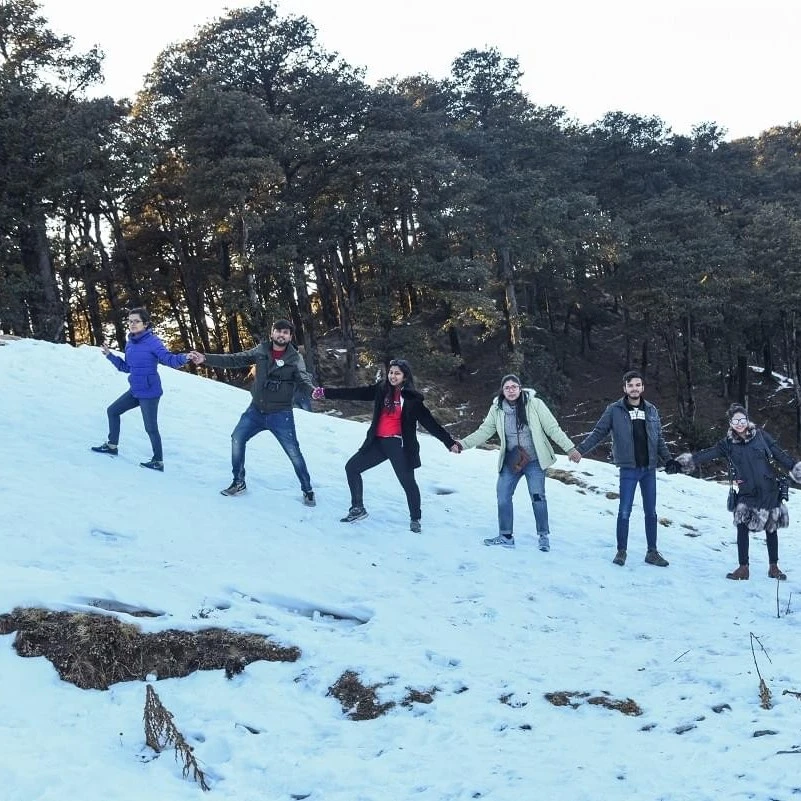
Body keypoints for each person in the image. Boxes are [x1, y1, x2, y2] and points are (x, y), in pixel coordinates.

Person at [311, 359, 460, 532]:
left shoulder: (412, 400)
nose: (392, 376)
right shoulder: (381, 390)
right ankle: (357, 508)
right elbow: (355, 393)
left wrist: (449, 443)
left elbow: (431, 423)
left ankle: (415, 519)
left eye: (397, 373)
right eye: (391, 372)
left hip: (399, 445)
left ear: (405, 377)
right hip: (378, 442)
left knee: (408, 482)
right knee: (352, 468)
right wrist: (325, 392)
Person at [187, 319, 315, 504]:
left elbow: (303, 380)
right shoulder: (261, 350)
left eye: (285, 332)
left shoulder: (295, 358)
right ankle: (238, 482)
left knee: (293, 451)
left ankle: (307, 489)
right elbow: (235, 359)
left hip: (280, 414)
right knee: (237, 438)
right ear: (271, 333)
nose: (281, 335)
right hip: (255, 410)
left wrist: (313, 391)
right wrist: (206, 358)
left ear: (290, 336)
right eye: (278, 331)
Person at [669, 404, 801, 580]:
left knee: (771, 528)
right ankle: (743, 568)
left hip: (769, 489)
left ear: (747, 419)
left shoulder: (761, 436)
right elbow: (707, 454)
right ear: (730, 423)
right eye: (735, 420)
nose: (739, 423)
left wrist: (795, 467)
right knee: (741, 525)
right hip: (747, 491)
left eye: (742, 419)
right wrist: (681, 463)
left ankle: (774, 567)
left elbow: (779, 454)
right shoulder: (727, 444)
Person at [456, 375, 579, 551]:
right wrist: (462, 444)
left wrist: (570, 448)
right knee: (503, 495)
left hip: (535, 460)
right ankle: (506, 536)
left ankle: (543, 536)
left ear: (520, 388)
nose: (511, 390)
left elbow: (552, 428)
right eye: (507, 387)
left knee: (538, 497)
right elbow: (484, 430)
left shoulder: (535, 404)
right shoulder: (497, 409)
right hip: (512, 461)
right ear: (502, 390)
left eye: (514, 387)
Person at [574, 370, 675, 567]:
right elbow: (599, 432)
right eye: (630, 385)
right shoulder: (614, 410)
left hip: (649, 470)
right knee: (624, 511)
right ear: (625, 388)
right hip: (628, 469)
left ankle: (652, 552)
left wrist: (669, 460)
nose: (634, 388)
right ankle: (621, 551)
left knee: (651, 512)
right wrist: (580, 450)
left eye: (638, 385)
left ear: (643, 387)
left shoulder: (652, 410)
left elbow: (659, 439)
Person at [91, 307, 190, 471]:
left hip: (150, 392)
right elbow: (127, 367)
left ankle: (158, 462)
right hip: (135, 390)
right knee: (112, 411)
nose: (132, 324)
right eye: (130, 321)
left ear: (145, 324)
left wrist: (185, 357)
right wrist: (109, 355)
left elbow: (169, 359)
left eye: (136, 321)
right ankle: (112, 445)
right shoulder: (130, 343)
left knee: (150, 428)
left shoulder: (153, 342)